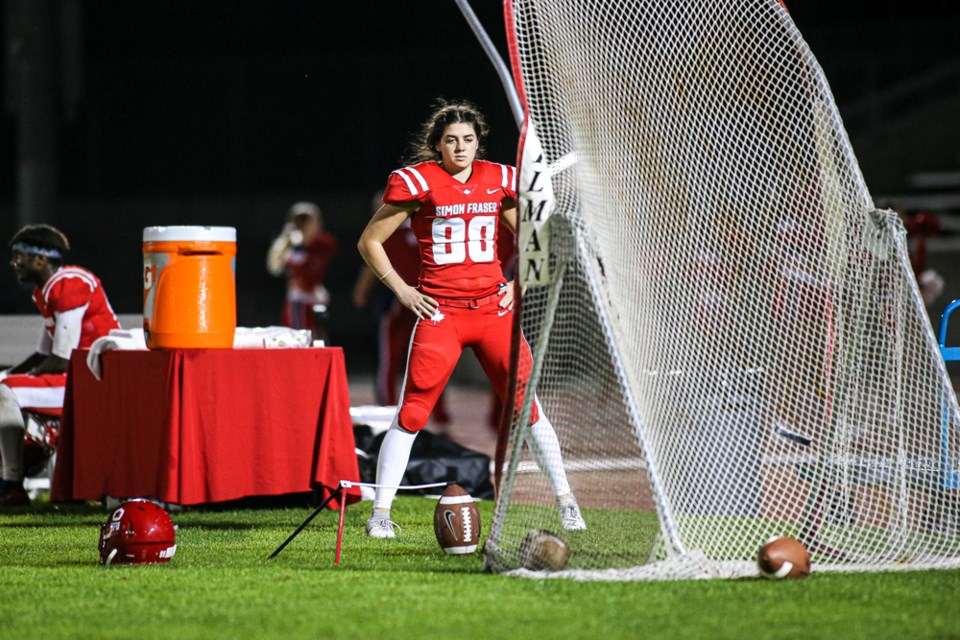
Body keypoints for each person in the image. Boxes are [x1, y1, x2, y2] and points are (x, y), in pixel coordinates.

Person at [357, 99, 585, 538]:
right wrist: (403, 291)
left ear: (478, 142)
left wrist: (516, 284)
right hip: (442, 313)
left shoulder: (498, 179)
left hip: (493, 311)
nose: (460, 147)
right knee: (412, 412)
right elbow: (370, 241)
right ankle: (380, 515)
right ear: (437, 145)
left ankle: (567, 503)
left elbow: (535, 237)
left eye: (467, 139)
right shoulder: (418, 182)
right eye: (450, 140)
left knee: (527, 407)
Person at [1, 224, 120, 506]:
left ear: (40, 260)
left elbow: (62, 357)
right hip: (81, 375)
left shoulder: (68, 284)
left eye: (19, 256)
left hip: (94, 379)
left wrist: (11, 381)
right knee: (4, 384)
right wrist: (8, 373)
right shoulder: (47, 291)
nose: (13, 263)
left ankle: (12, 482)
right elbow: (44, 354)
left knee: (6, 391)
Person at [266, 201, 338, 341]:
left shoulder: (321, 245)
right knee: (300, 341)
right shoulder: (290, 249)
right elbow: (277, 269)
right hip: (299, 303)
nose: (312, 226)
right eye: (304, 222)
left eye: (312, 221)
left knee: (319, 341)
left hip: (314, 302)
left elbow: (330, 248)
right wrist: (294, 247)